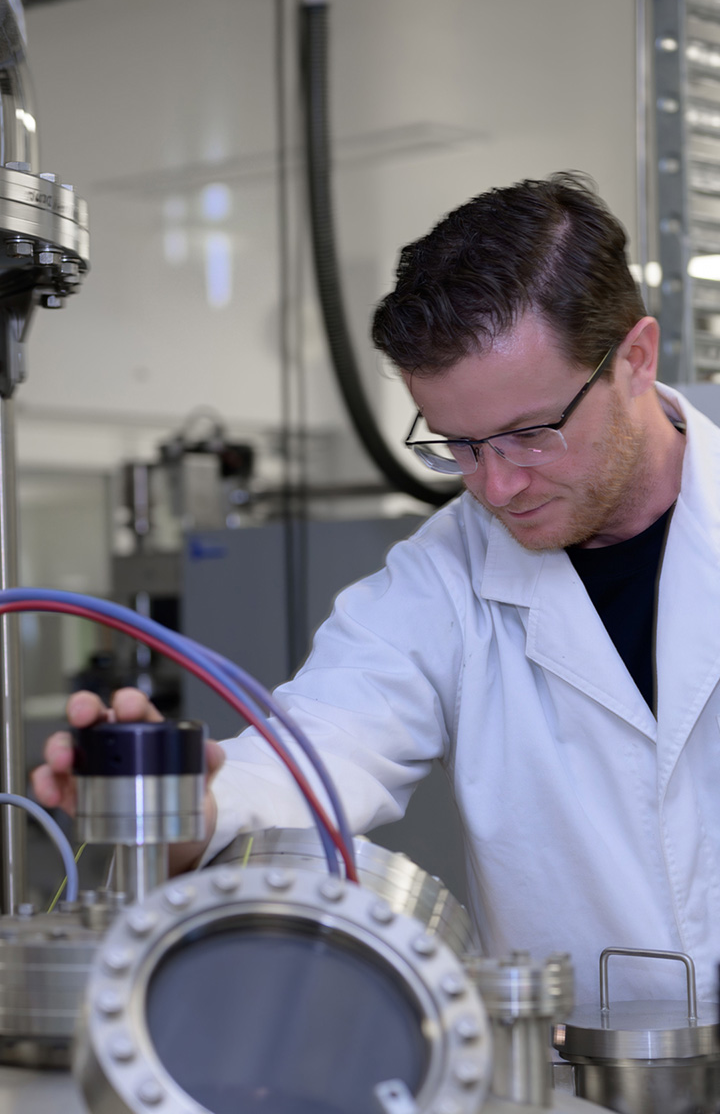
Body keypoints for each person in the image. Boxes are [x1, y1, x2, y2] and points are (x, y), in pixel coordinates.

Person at [33, 173, 720, 1006]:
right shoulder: (447, 575)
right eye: (457, 446)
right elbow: (318, 750)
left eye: (530, 435)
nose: (497, 488)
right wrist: (183, 806)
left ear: (636, 359)